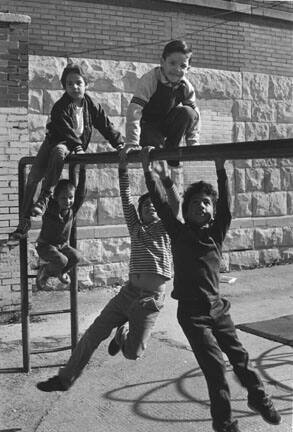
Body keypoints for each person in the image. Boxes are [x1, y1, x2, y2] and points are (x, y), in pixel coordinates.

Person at [142, 147, 281, 432]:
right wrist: (148, 172)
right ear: (186, 209)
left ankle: (258, 397)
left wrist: (220, 168)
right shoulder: (178, 232)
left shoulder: (216, 234)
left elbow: (226, 205)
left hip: (217, 308)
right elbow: (159, 203)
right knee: (215, 367)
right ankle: (225, 423)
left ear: (212, 211)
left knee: (240, 356)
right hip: (192, 314)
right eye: (195, 202)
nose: (201, 206)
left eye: (206, 203)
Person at [36, 150, 180, 392]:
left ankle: (122, 334)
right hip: (128, 293)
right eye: (145, 206)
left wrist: (161, 179)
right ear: (141, 211)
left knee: (133, 354)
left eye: (154, 206)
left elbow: (174, 204)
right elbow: (126, 198)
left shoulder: (165, 227)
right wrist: (122, 169)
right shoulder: (135, 227)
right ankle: (65, 378)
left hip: (150, 300)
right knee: (93, 333)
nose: (150, 209)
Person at [9, 63, 125, 243]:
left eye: (78, 83)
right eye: (69, 84)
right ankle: (29, 216)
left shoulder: (91, 104)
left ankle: (64, 225)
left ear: (86, 84)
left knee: (78, 185)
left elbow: (105, 124)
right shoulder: (60, 106)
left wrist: (119, 144)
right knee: (34, 176)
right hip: (56, 142)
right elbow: (64, 129)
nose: (74, 87)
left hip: (76, 146)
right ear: (64, 87)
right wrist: (77, 145)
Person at [123, 39, 200, 166]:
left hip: (167, 124)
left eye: (182, 66)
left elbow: (195, 116)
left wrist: (193, 143)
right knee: (156, 154)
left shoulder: (186, 87)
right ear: (162, 62)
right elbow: (135, 110)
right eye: (172, 63)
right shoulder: (150, 80)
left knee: (188, 112)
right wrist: (132, 142)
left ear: (188, 69)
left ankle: (172, 149)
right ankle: (160, 158)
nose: (177, 69)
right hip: (148, 126)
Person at [35, 164, 86, 289]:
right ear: (55, 198)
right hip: (45, 245)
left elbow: (81, 192)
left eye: (70, 198)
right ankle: (45, 272)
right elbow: (44, 189)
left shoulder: (72, 209)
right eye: (63, 198)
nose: (68, 201)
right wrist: (51, 166)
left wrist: (83, 169)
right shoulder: (50, 207)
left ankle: (61, 272)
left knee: (76, 257)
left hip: (62, 246)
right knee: (62, 260)